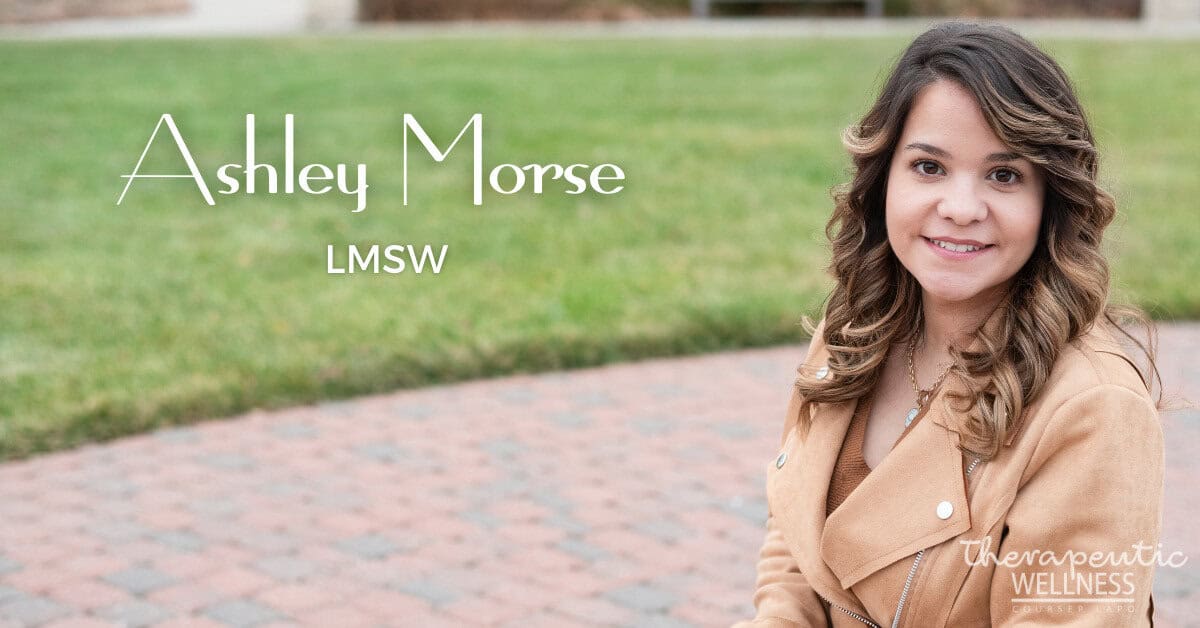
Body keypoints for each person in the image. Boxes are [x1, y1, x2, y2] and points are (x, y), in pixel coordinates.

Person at [734, 20, 1166, 628]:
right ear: (884, 179)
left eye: (1004, 175)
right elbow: (796, 537)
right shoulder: (852, 328)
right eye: (929, 167)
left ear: (1050, 203)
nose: (961, 209)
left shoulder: (1094, 410)